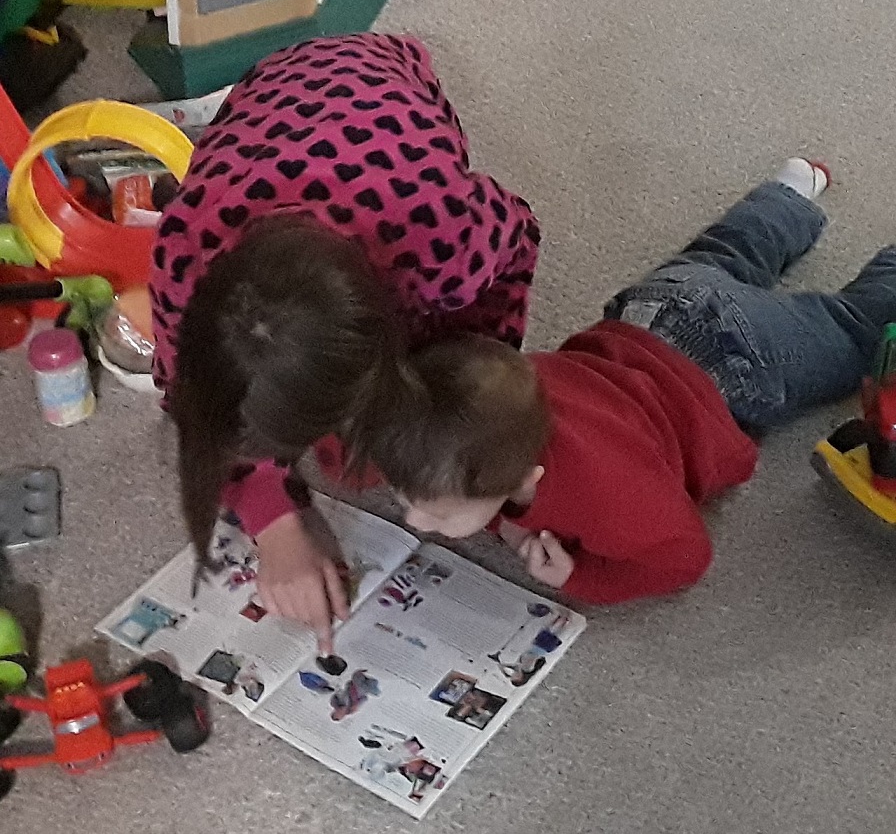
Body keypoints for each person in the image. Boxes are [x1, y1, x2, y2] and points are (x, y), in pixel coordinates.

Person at [149, 33, 541, 651]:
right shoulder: (180, 258)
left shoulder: (440, 233)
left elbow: (519, 237)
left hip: (382, 75)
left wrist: (467, 374)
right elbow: (195, 408)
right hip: (268, 93)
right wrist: (273, 525)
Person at [369, 159, 896, 602]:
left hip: (736, 362)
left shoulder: (606, 494)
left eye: (437, 510)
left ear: (529, 478)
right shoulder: (496, 399)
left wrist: (582, 578)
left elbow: (684, 556)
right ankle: (791, 188)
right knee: (728, 254)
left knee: (853, 332)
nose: (414, 520)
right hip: (654, 308)